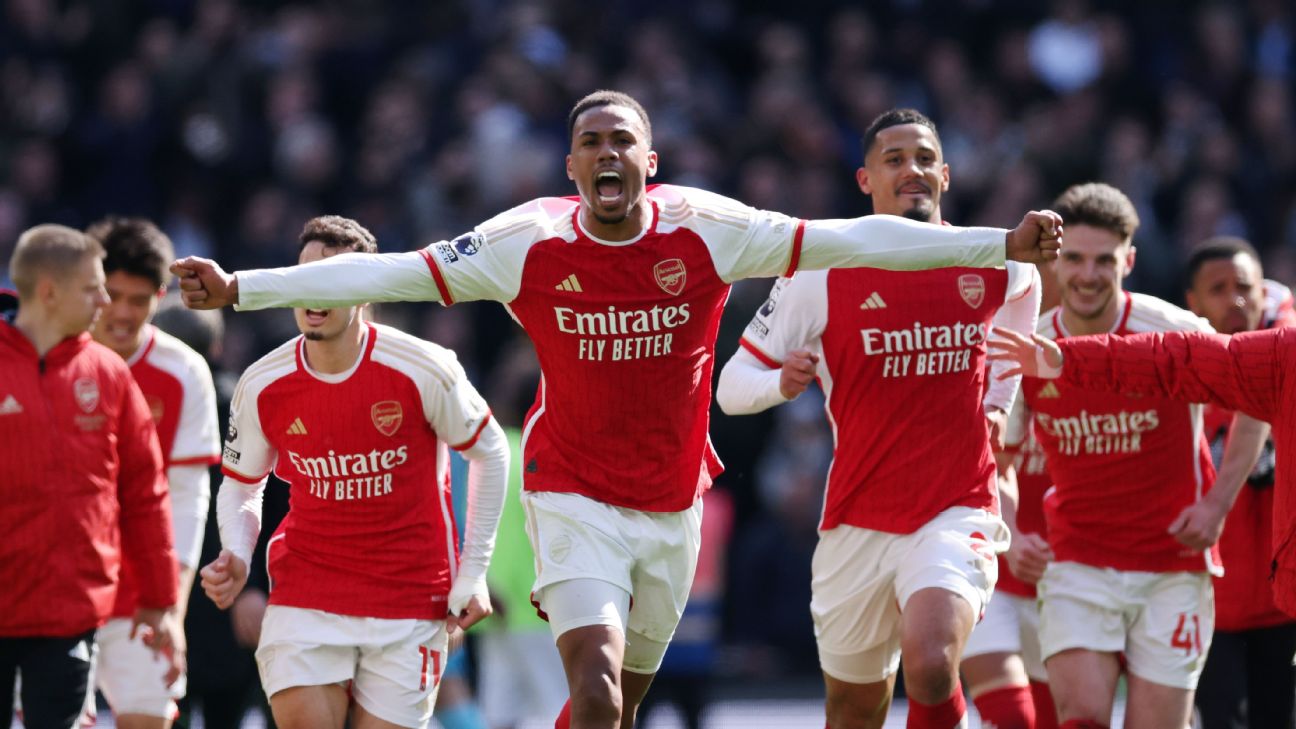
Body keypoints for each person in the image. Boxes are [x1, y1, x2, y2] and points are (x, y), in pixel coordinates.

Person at [173, 91, 1062, 729]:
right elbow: (392, 269)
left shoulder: (707, 226)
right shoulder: (528, 240)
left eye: (622, 140)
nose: (607, 154)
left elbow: (845, 236)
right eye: (591, 141)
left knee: (621, 704)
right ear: (572, 166)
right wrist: (246, 287)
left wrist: (998, 244)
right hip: (570, 496)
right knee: (596, 687)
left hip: (670, 504)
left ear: (650, 160)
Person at [714, 108, 1042, 729]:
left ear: (945, 174)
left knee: (932, 660)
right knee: (853, 708)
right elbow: (731, 388)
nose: (911, 170)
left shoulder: (996, 262)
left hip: (956, 508)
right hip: (856, 521)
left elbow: (1025, 299)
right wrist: (780, 385)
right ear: (866, 180)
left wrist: (1000, 400)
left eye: (923, 159)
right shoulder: (823, 270)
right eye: (894, 160)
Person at [198, 215, 509, 729]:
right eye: (303, 279)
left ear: (365, 289)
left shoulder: (423, 367)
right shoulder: (264, 382)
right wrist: (237, 549)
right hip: (306, 594)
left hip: (410, 598)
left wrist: (472, 572)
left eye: (332, 279)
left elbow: (491, 452)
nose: (314, 294)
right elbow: (241, 485)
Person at [999, 183, 1223, 729]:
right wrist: (1010, 529)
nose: (1087, 274)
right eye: (1073, 258)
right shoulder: (1028, 344)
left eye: (1104, 260)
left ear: (1130, 259)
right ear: (1054, 261)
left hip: (1173, 566)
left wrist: (1218, 502)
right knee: (1082, 718)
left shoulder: (1175, 331)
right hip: (1077, 562)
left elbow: (1261, 397)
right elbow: (997, 456)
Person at [0, 224, 178, 729]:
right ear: (49, 292)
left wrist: (160, 597)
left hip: (69, 614)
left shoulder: (108, 372)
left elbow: (145, 490)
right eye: (92, 287)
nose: (104, 299)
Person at [84, 217, 221, 729]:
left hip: (142, 595)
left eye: (137, 300)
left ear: (161, 296)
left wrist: (171, 609)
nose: (121, 313)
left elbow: (186, 498)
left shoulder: (184, 372)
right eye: (110, 295)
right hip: (56, 592)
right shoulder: (46, 360)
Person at [1179, 238, 1295, 729]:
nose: (1236, 300)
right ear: (1193, 302)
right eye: (1219, 289)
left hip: (1284, 609)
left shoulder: (1285, 359)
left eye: (1245, 287)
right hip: (1213, 612)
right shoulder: (1179, 374)